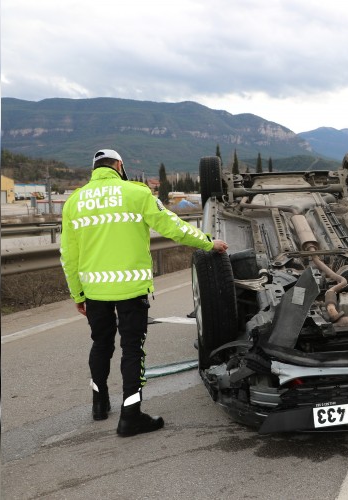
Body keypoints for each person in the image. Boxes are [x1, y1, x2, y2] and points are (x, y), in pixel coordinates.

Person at [60, 149, 228, 437]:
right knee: (132, 349)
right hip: (130, 288)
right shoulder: (136, 193)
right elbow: (172, 227)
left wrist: (78, 294)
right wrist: (208, 243)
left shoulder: (74, 201)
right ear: (119, 166)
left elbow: (68, 255)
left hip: (94, 291)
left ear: (94, 169)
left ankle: (99, 405)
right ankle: (131, 416)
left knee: (100, 345)